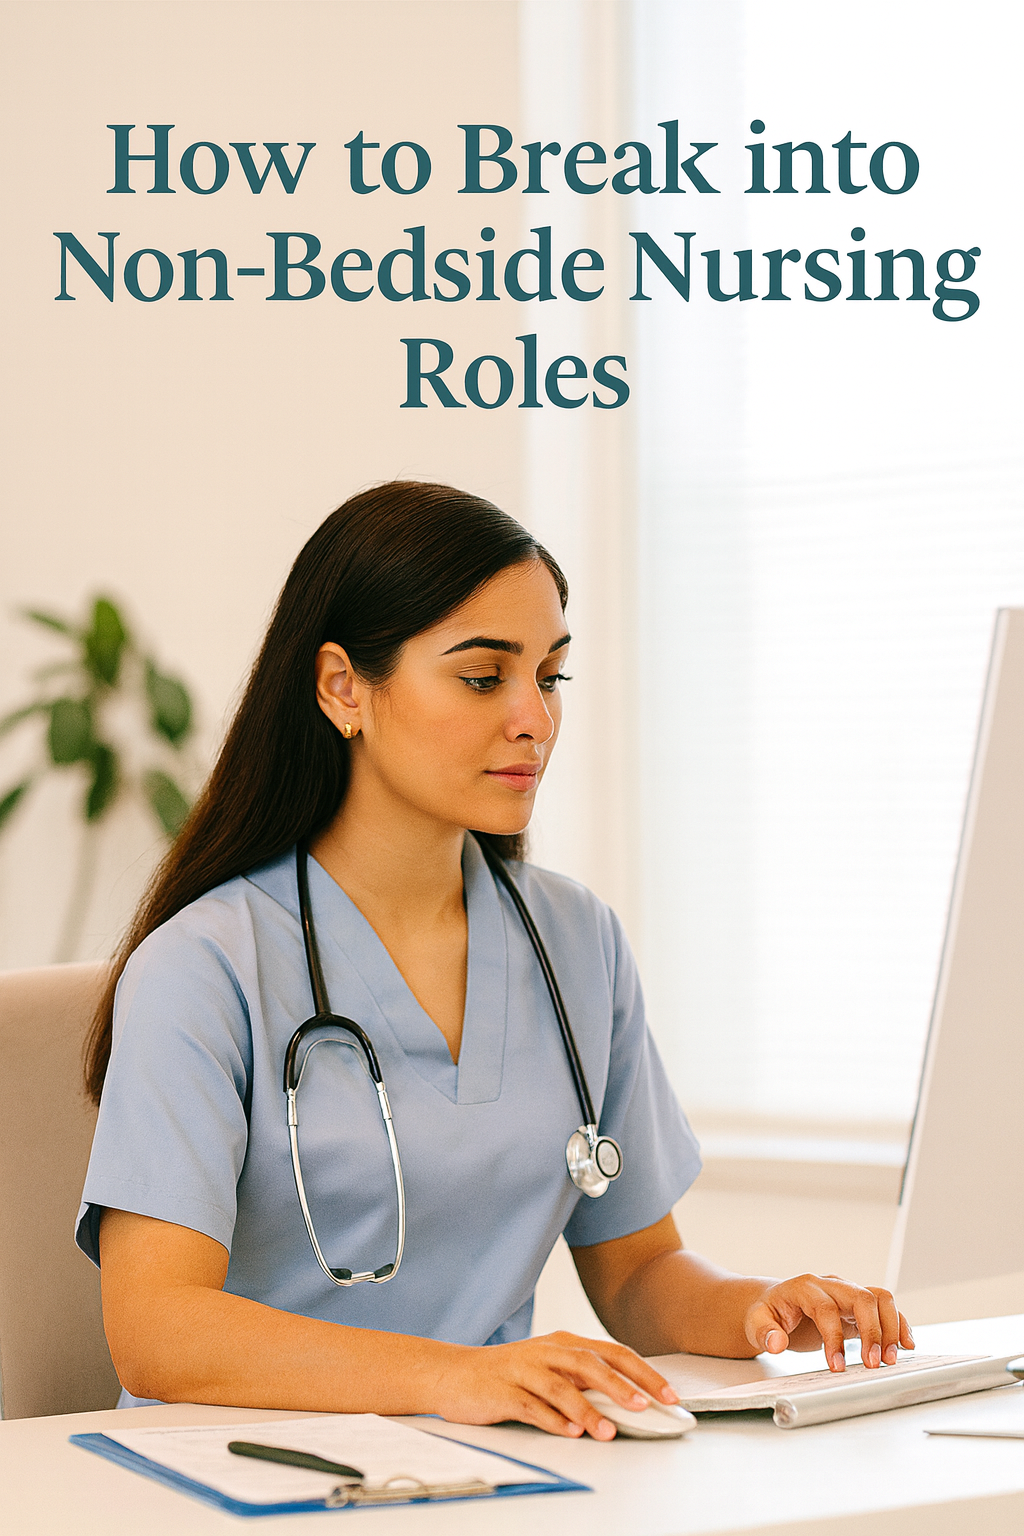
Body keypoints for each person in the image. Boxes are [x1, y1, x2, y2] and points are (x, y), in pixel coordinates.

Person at [78, 481, 912, 1441]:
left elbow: (638, 1273)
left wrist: (767, 1308)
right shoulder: (205, 966)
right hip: (243, 1464)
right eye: (484, 678)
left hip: (481, 1460)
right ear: (343, 687)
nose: (535, 719)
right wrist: (456, 1376)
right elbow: (157, 1332)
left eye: (550, 677)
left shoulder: (575, 942)